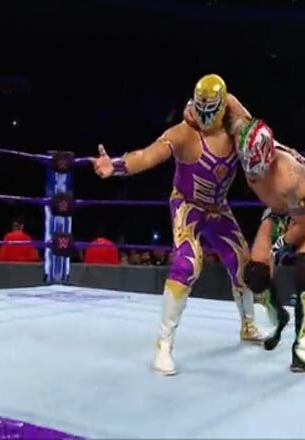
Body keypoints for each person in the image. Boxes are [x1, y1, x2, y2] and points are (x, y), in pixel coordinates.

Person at [91, 74, 272, 376]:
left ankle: (248, 325)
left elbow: (262, 144)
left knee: (243, 263)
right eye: (200, 107)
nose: (203, 115)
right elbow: (148, 155)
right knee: (187, 262)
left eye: (211, 108)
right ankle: (163, 344)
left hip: (218, 207)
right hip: (187, 205)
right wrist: (117, 166)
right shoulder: (184, 134)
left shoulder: (237, 126)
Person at [185, 91, 305, 372]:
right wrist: (195, 106)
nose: (253, 177)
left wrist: (277, 248)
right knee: (254, 274)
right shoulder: (241, 127)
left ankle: (303, 344)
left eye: (259, 171)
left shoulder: (289, 177)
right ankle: (278, 316)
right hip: (276, 209)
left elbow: (301, 227)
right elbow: (224, 96)